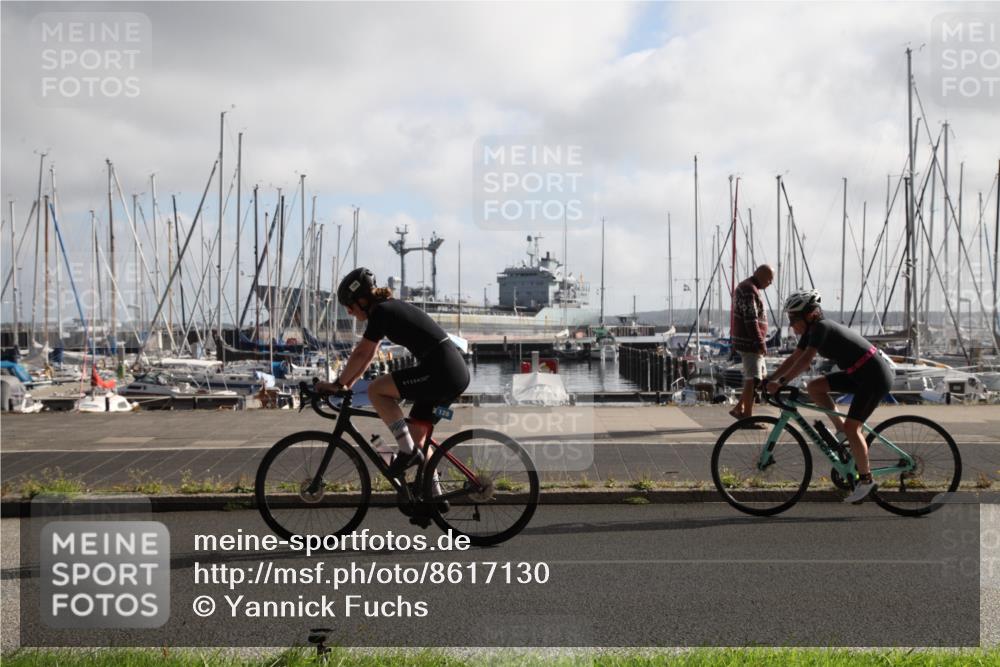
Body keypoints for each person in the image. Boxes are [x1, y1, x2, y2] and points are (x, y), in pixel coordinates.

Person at [315, 268, 470, 482]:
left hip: (441, 372)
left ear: (362, 300)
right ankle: (434, 496)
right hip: (451, 372)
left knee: (376, 390)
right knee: (419, 441)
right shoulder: (386, 310)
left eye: (349, 307)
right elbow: (367, 355)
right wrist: (344, 385)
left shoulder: (381, 312)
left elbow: (362, 352)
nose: (349, 312)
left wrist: (338, 384)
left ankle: (406, 452)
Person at [764, 288, 894, 504]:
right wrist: (771, 378)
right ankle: (841, 430)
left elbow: (805, 362)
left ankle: (866, 480)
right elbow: (793, 359)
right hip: (858, 373)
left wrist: (782, 383)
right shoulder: (810, 332)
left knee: (855, 428)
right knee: (815, 387)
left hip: (874, 376)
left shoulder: (821, 328)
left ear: (809, 315)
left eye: (793, 318)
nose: (790, 324)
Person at [730, 264, 774, 421]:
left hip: (749, 342)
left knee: (757, 377)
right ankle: (747, 416)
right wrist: (759, 342)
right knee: (752, 378)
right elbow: (751, 319)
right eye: (770, 279)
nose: (771, 282)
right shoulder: (749, 290)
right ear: (760, 275)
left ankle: (738, 408)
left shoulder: (749, 287)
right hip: (750, 343)